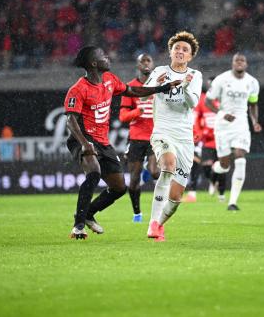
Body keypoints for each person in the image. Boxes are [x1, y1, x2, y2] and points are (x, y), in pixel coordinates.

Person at [64, 46, 180, 240]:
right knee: (94, 173)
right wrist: (85, 144)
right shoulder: (78, 89)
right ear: (94, 63)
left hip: (103, 141)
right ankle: (79, 225)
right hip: (83, 139)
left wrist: (161, 88)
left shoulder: (110, 80)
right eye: (102, 56)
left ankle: (89, 213)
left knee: (119, 188)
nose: (107, 57)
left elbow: (133, 90)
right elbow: (70, 120)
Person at [145, 31, 202, 242]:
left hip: (185, 138)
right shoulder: (160, 71)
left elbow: (192, 103)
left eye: (185, 50)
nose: (180, 51)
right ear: (170, 52)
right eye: (177, 48)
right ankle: (152, 223)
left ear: (190, 56)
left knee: (176, 196)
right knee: (167, 165)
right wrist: (157, 85)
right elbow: (143, 91)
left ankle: (159, 224)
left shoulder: (195, 76)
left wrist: (185, 87)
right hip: (163, 131)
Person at [206, 53, 261, 211]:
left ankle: (232, 202)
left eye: (242, 60)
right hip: (222, 125)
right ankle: (213, 171)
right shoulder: (221, 80)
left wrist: (255, 121)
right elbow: (207, 102)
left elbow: (253, 103)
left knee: (240, 155)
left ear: (246, 64)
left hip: (241, 124)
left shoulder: (252, 82)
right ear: (232, 63)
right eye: (236, 60)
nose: (239, 62)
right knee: (224, 166)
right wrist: (222, 114)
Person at [119, 53, 159, 223]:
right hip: (136, 138)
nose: (145, 63)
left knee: (156, 171)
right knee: (134, 180)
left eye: (148, 60)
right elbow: (123, 117)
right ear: (138, 65)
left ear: (153, 64)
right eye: (142, 61)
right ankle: (137, 213)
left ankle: (159, 210)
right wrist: (137, 112)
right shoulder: (130, 88)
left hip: (155, 137)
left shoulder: (159, 86)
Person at [185, 77, 219, 202]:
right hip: (201, 138)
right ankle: (192, 193)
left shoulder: (221, 98)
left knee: (212, 167)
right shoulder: (201, 99)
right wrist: (197, 135)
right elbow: (195, 119)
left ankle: (213, 181)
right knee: (196, 164)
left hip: (217, 139)